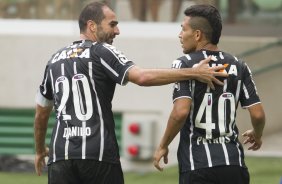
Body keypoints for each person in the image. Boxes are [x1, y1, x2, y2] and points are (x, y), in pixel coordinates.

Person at [34, 2, 227, 184]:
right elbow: (142, 77)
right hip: (98, 154)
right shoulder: (102, 51)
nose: (117, 31)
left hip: (60, 157)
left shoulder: (54, 60)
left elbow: (41, 114)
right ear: (92, 26)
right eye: (112, 24)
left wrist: (40, 149)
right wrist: (194, 72)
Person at [153, 4, 265, 184]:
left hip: (197, 165)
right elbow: (258, 115)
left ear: (197, 35)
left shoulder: (184, 64)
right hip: (233, 164)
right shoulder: (239, 65)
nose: (180, 35)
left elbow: (180, 112)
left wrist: (163, 145)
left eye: (183, 29)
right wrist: (257, 134)